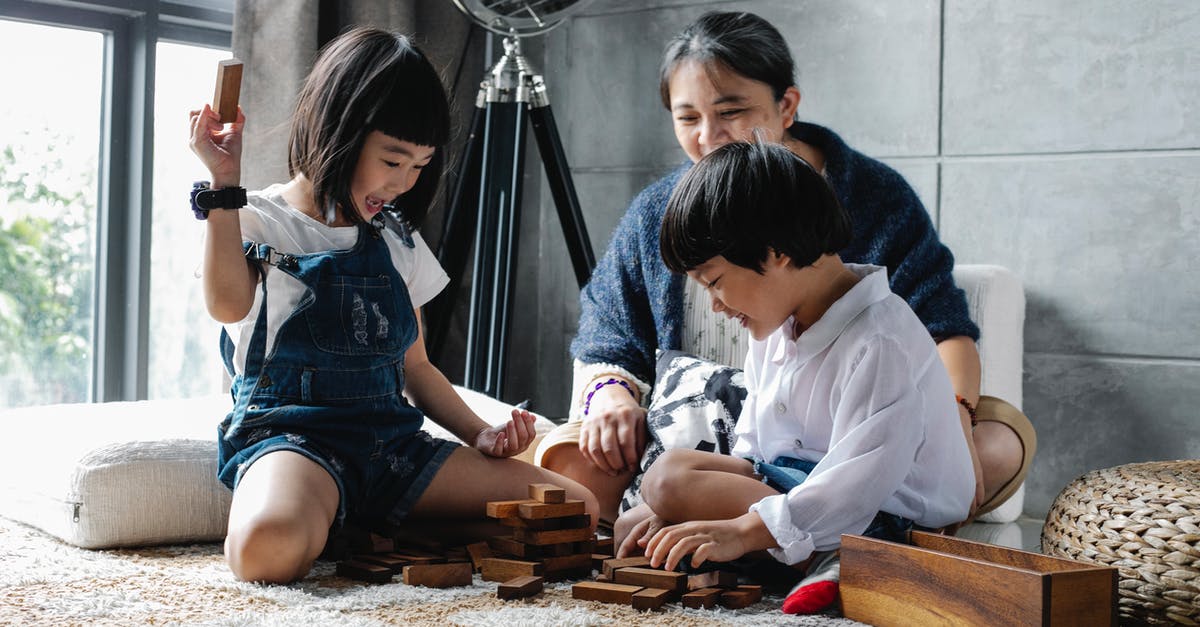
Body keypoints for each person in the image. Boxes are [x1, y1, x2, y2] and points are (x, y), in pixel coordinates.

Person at [535, 10, 1032, 526]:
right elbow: (609, 328)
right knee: (576, 463)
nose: (709, 137)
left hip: (857, 420)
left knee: (997, 443)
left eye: (731, 111)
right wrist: (610, 396)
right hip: (712, 416)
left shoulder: (872, 203)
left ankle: (837, 534)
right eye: (688, 119)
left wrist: (956, 416)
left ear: (786, 104)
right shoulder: (662, 210)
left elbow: (940, 325)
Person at [188, 27, 598, 584]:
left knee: (574, 511)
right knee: (265, 551)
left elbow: (418, 369)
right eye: (393, 160)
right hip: (295, 439)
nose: (403, 183)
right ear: (340, 129)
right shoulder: (256, 217)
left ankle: (372, 522)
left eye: (420, 166)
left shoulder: (396, 238)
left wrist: (480, 433)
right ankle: (351, 516)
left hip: (393, 448)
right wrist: (223, 183)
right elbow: (226, 307)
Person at [629, 138, 975, 614]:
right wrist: (672, 508)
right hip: (799, 483)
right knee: (665, 480)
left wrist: (741, 529)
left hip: (886, 513)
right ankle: (799, 555)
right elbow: (755, 447)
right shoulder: (774, 323)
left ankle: (850, 565)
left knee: (695, 507)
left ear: (777, 254)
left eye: (714, 282)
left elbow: (858, 481)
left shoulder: (879, 339)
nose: (715, 305)